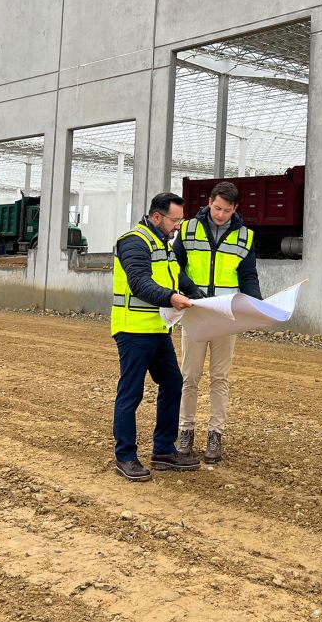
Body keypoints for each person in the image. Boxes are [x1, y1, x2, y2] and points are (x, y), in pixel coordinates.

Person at [110, 192, 203, 482]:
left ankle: (163, 449)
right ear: (156, 217)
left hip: (158, 330)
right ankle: (125, 456)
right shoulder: (133, 242)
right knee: (131, 392)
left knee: (173, 382)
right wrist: (171, 297)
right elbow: (139, 283)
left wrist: (200, 296)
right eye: (174, 220)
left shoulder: (163, 243)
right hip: (133, 331)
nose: (178, 226)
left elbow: (176, 276)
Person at [172, 181, 262, 463]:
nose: (220, 214)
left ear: (235, 209)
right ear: (209, 202)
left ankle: (215, 435)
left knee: (220, 377)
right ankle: (185, 431)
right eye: (216, 207)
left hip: (226, 316)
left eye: (226, 210)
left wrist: (255, 306)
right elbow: (174, 265)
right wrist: (189, 289)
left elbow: (248, 275)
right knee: (190, 376)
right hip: (195, 311)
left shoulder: (245, 236)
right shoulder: (187, 229)